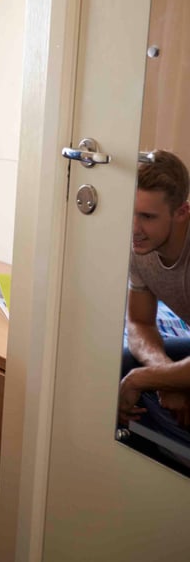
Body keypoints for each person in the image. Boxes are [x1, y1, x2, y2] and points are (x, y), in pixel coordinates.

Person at [118, 149, 190, 439]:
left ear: (182, 212)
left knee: (135, 378)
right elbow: (139, 323)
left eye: (147, 216)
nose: (134, 228)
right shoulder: (141, 247)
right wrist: (166, 375)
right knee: (122, 363)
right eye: (130, 212)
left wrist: (146, 377)